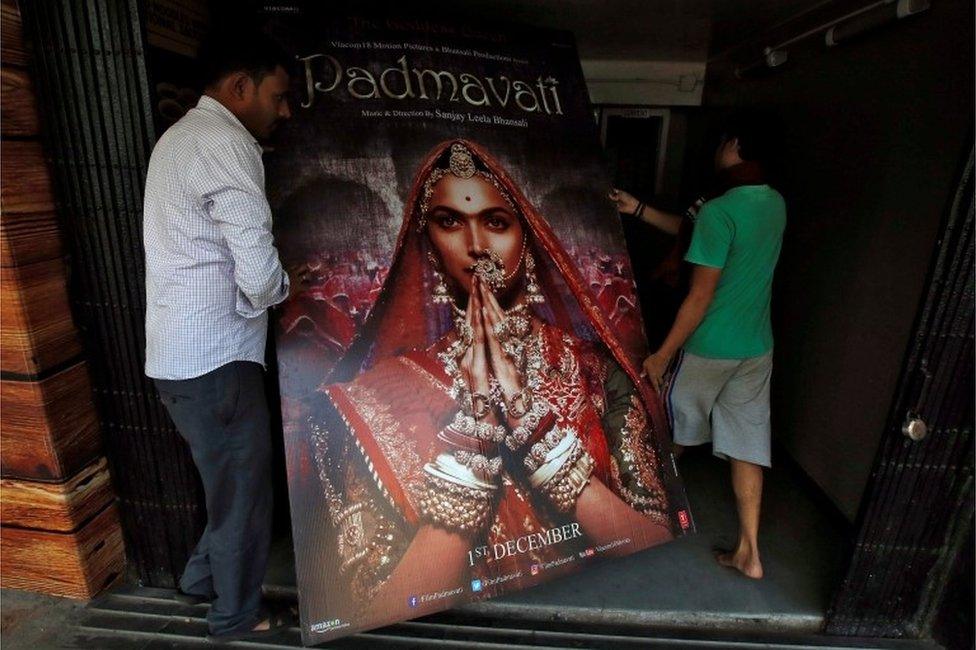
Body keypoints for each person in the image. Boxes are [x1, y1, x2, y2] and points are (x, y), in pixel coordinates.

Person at [299, 140, 678, 624]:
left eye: (496, 222)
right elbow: (375, 608)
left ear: (527, 233)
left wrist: (537, 433)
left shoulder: (593, 370)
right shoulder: (372, 398)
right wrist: (474, 447)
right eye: (449, 221)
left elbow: (656, 545)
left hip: (594, 615)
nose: (476, 245)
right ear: (427, 238)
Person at [143, 31, 306, 641]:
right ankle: (238, 617)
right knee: (242, 493)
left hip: (176, 358)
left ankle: (201, 578)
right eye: (279, 95)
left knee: (224, 482)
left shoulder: (180, 139)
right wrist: (290, 286)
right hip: (216, 359)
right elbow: (260, 275)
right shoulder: (229, 143)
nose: (284, 111)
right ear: (241, 87)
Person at [610, 112, 786, 579]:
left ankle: (630, 522)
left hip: (709, 346)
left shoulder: (719, 209)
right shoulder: (773, 204)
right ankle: (750, 551)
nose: (718, 149)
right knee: (748, 446)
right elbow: (698, 236)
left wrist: (662, 355)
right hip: (755, 347)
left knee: (665, 428)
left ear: (735, 146)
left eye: (724, 141)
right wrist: (639, 209)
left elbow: (700, 293)